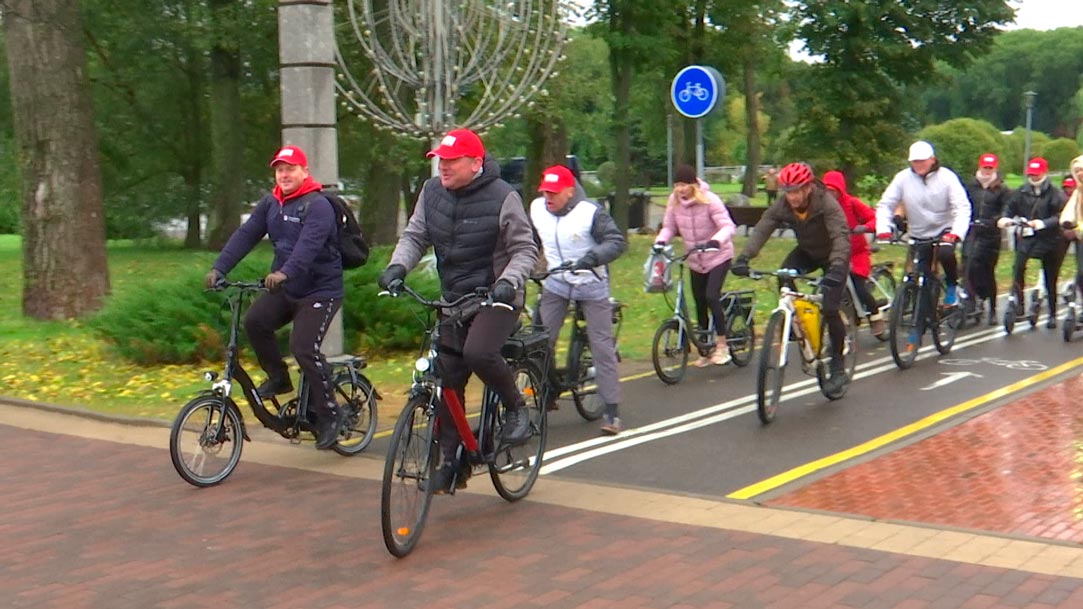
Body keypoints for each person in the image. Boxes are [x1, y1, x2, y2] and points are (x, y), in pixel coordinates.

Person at [377, 128, 539, 493]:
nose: (443, 167)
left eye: (451, 161)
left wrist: (507, 282)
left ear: (476, 164)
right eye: (440, 160)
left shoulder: (503, 196)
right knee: (447, 377)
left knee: (478, 352)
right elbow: (415, 235)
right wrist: (397, 267)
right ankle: (453, 463)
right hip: (454, 299)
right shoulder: (431, 192)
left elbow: (525, 249)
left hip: (497, 297)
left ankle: (516, 408)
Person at [204, 145, 346, 450]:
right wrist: (220, 268)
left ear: (304, 172)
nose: (284, 174)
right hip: (286, 287)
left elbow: (307, 247)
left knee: (303, 348)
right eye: (280, 169)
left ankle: (331, 415)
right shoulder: (272, 203)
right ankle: (279, 377)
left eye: (290, 168)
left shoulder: (318, 205)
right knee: (255, 321)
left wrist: (285, 272)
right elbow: (246, 235)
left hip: (320, 290)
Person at [731, 162, 852, 394]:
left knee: (829, 308)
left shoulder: (826, 202)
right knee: (784, 275)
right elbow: (763, 227)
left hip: (833, 257)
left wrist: (837, 268)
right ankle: (795, 325)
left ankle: (838, 365)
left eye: (797, 191)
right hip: (807, 252)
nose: (793, 197)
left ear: (807, 188)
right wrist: (744, 258)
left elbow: (840, 236)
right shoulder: (783, 204)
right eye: (788, 191)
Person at [529, 164, 627, 434]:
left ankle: (612, 412)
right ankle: (547, 392)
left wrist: (591, 258)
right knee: (538, 341)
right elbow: (529, 241)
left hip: (591, 284)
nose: (548, 197)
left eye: (555, 193)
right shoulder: (536, 209)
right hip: (556, 283)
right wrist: (529, 264)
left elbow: (616, 242)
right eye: (545, 192)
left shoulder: (590, 213)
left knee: (601, 346)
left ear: (570, 192)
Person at [875, 141, 971, 349]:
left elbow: (961, 207)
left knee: (946, 254)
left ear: (932, 160)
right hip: (918, 234)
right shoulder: (903, 178)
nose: (918, 165)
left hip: (944, 230)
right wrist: (883, 227)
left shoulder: (947, 177)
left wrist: (955, 232)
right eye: (914, 162)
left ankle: (952, 286)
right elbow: (886, 204)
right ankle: (917, 330)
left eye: (922, 161)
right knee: (920, 281)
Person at [655, 164, 738, 366]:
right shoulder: (674, 202)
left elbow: (727, 225)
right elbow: (669, 227)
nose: (680, 189)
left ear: (693, 183)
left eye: (684, 185)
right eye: (677, 185)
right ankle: (705, 349)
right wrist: (660, 241)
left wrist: (716, 241)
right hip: (695, 259)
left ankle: (722, 345)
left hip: (717, 255)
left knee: (711, 296)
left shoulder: (710, 200)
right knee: (699, 301)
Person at [998, 157, 1067, 329]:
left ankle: (1052, 313)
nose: (1034, 177)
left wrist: (1043, 223)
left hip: (1051, 238)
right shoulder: (1021, 191)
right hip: (1028, 235)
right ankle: (1018, 303)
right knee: (1018, 267)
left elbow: (1060, 215)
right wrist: (1005, 218)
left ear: (1044, 173)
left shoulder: (1055, 192)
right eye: (1031, 174)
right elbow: (1010, 206)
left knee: (1050, 276)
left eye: (1037, 174)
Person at [822, 170, 885, 337]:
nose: (830, 194)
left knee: (860, 288)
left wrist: (864, 227)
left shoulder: (852, 203)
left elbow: (874, 218)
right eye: (826, 190)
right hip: (836, 253)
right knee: (832, 287)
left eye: (833, 190)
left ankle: (875, 316)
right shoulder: (821, 206)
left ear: (840, 190)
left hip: (857, 253)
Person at [962, 153, 1011, 325]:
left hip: (991, 235)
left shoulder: (1002, 189)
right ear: (980, 166)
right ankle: (971, 301)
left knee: (987, 271)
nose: (987, 171)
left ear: (995, 168)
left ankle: (991, 307)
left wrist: (998, 220)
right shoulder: (971, 186)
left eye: (991, 168)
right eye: (985, 167)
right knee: (968, 265)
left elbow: (1007, 209)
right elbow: (963, 204)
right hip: (971, 231)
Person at [1058, 156, 1083, 304]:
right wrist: (1067, 224)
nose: (1080, 174)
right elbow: (1068, 213)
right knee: (1081, 274)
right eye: (1077, 171)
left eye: (1082, 170)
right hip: (1081, 238)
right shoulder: (1078, 192)